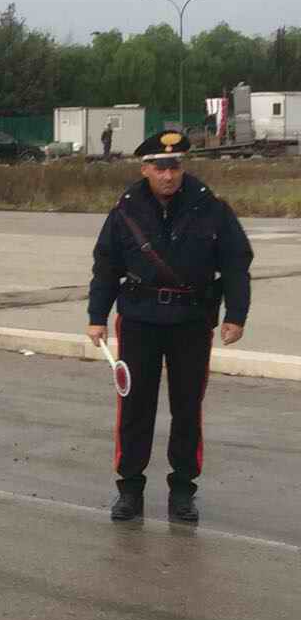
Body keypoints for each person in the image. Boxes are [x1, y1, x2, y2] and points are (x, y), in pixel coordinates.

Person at [86, 129, 252, 524]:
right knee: (134, 407)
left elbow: (235, 264)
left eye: (174, 166)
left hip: (191, 321)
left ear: (183, 167)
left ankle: (182, 491)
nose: (168, 175)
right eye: (160, 167)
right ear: (144, 169)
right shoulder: (125, 210)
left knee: (187, 407)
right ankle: (130, 489)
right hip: (139, 319)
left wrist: (236, 315)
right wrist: (96, 316)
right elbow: (106, 266)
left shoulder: (211, 208)